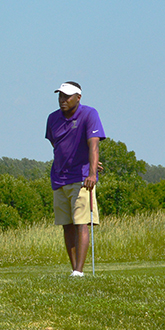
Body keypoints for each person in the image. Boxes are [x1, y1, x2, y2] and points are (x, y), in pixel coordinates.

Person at [45, 81, 105, 277]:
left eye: (67, 96)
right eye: (60, 96)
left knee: (82, 223)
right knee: (67, 224)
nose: (62, 100)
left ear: (78, 98)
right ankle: (74, 270)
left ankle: (79, 271)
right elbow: (58, 146)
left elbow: (93, 145)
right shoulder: (52, 118)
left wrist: (92, 172)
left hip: (81, 178)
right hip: (59, 178)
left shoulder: (89, 114)